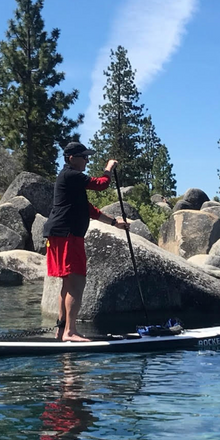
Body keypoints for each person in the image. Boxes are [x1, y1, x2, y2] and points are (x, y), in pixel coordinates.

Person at [42, 142, 128, 342]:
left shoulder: (71, 181)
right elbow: (101, 185)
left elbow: (89, 209)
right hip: (67, 235)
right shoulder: (70, 175)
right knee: (77, 281)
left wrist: (114, 222)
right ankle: (70, 332)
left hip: (60, 234)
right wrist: (108, 169)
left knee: (68, 282)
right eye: (84, 157)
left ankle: (62, 330)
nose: (87, 160)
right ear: (71, 158)